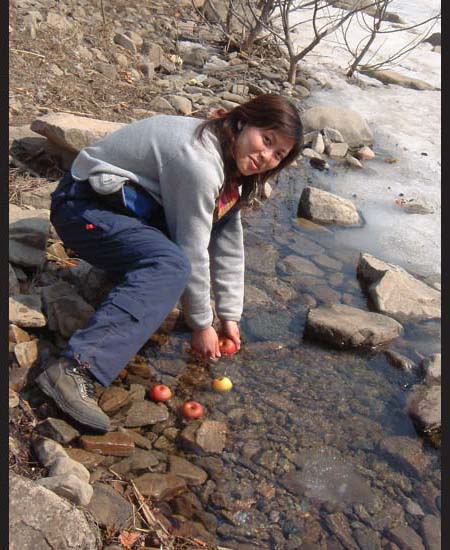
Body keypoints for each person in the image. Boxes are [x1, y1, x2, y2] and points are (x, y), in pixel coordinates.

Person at [36, 93, 303, 432]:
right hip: (81, 207)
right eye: (267, 140)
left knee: (175, 264)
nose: (266, 157)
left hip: (117, 208)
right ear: (242, 122)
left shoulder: (229, 163)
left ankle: (129, 288)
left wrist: (229, 316)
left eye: (278, 155)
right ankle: (76, 369)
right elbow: (192, 249)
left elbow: (226, 241)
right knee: (170, 266)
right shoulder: (200, 162)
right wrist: (202, 324)